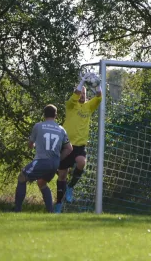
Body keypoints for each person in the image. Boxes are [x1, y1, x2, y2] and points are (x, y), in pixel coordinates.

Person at [54, 73, 102, 213]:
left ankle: (71, 187)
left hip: (80, 146)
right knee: (62, 175)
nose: (81, 95)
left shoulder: (88, 107)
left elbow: (99, 97)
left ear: (86, 96)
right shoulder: (70, 105)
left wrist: (97, 84)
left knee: (81, 162)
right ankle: (58, 204)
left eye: (84, 93)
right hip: (66, 145)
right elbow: (74, 95)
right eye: (80, 93)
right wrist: (82, 81)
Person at [14, 104, 72, 213]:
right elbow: (69, 148)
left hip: (41, 161)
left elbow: (30, 144)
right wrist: (58, 159)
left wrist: (33, 145)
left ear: (44, 115)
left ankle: (17, 210)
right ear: (56, 116)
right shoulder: (61, 129)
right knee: (42, 183)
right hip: (54, 164)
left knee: (22, 177)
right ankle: (51, 212)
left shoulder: (38, 126)